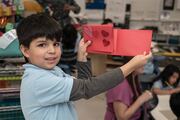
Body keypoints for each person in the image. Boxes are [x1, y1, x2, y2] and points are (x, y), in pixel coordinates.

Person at [16, 13, 152, 120]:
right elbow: (87, 88)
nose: (52, 50)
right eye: (42, 45)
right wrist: (131, 65)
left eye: (56, 44)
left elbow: (83, 88)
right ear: (25, 50)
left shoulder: (51, 71)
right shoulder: (39, 81)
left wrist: (81, 56)